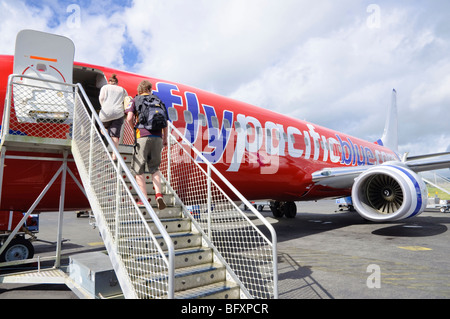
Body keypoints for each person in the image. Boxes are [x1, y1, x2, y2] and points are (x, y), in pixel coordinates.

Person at [125, 80, 168, 210]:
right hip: (158, 138)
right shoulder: (159, 101)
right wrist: (165, 139)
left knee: (139, 169)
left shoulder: (135, 100)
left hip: (142, 136)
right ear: (149, 89)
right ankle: (158, 195)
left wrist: (134, 128)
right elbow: (165, 123)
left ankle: (143, 199)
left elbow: (128, 118)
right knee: (155, 168)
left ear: (139, 90)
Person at [99, 74, 128, 161]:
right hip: (118, 113)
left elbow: (102, 98)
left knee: (103, 128)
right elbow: (126, 100)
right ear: (117, 83)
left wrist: (103, 106)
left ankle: (107, 137)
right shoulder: (122, 90)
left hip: (106, 112)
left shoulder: (105, 87)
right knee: (115, 135)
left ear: (109, 82)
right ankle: (114, 154)